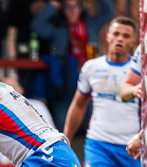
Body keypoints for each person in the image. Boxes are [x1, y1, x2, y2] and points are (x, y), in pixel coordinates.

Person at [63, 17, 139, 167]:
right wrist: (66, 136)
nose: (120, 39)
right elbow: (79, 103)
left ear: (133, 42)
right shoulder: (92, 68)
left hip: (131, 148)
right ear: (107, 36)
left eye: (126, 36)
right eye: (116, 34)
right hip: (99, 145)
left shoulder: (139, 74)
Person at [30, 0, 114, 131]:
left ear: (80, 9)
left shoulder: (89, 24)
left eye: (75, 7)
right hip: (65, 77)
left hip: (89, 75)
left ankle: (91, 147)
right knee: (62, 118)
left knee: (93, 116)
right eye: (68, 7)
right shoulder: (58, 26)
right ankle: (63, 145)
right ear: (63, 10)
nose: (72, 10)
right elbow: (37, 27)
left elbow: (108, 12)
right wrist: (52, 6)